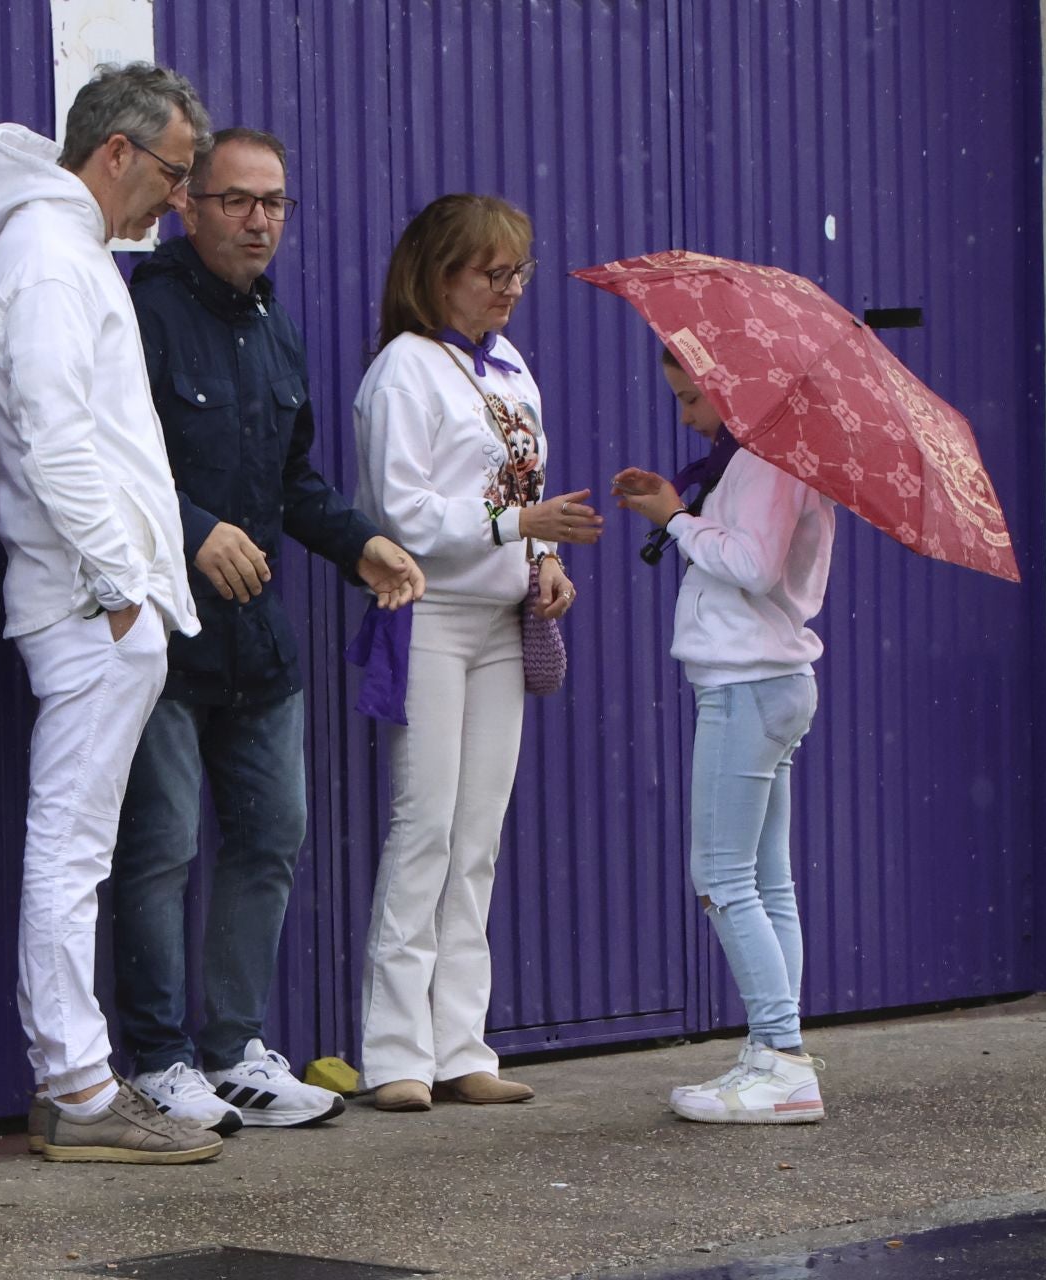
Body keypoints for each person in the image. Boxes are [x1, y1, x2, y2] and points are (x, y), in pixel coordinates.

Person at [114, 127, 424, 1133]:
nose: (259, 219)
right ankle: (159, 1060)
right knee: (160, 850)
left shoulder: (276, 329)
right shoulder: (140, 316)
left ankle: (236, 1049)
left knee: (269, 839)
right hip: (161, 635)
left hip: (260, 641)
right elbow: (107, 466)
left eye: (275, 202)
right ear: (189, 206)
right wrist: (193, 532)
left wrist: (359, 543)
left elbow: (292, 482)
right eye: (238, 199)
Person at [0, 63, 223, 1164]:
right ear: (116, 152)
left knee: (81, 845)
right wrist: (122, 587)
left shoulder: (60, 252)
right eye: (174, 173)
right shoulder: (54, 261)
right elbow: (58, 440)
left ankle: (76, 1075)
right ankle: (75, 1084)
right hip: (89, 605)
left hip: (93, 601)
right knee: (72, 847)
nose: (180, 200)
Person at [351, 194, 602, 1112]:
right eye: (489, 273)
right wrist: (517, 526)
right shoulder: (402, 372)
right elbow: (399, 512)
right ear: (436, 273)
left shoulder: (512, 371)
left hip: (502, 623)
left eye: (517, 274)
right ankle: (394, 1053)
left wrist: (545, 562)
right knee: (424, 829)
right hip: (428, 615)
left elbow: (519, 489)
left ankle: (463, 1043)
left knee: (478, 838)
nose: (509, 290)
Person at [612, 346, 835, 1124]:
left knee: (721, 877)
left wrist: (676, 518)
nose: (685, 414)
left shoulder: (767, 462)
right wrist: (678, 504)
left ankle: (780, 1061)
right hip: (766, 684)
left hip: (746, 688)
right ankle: (775, 1051)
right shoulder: (761, 459)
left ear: (731, 388)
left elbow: (751, 564)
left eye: (690, 398)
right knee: (767, 881)